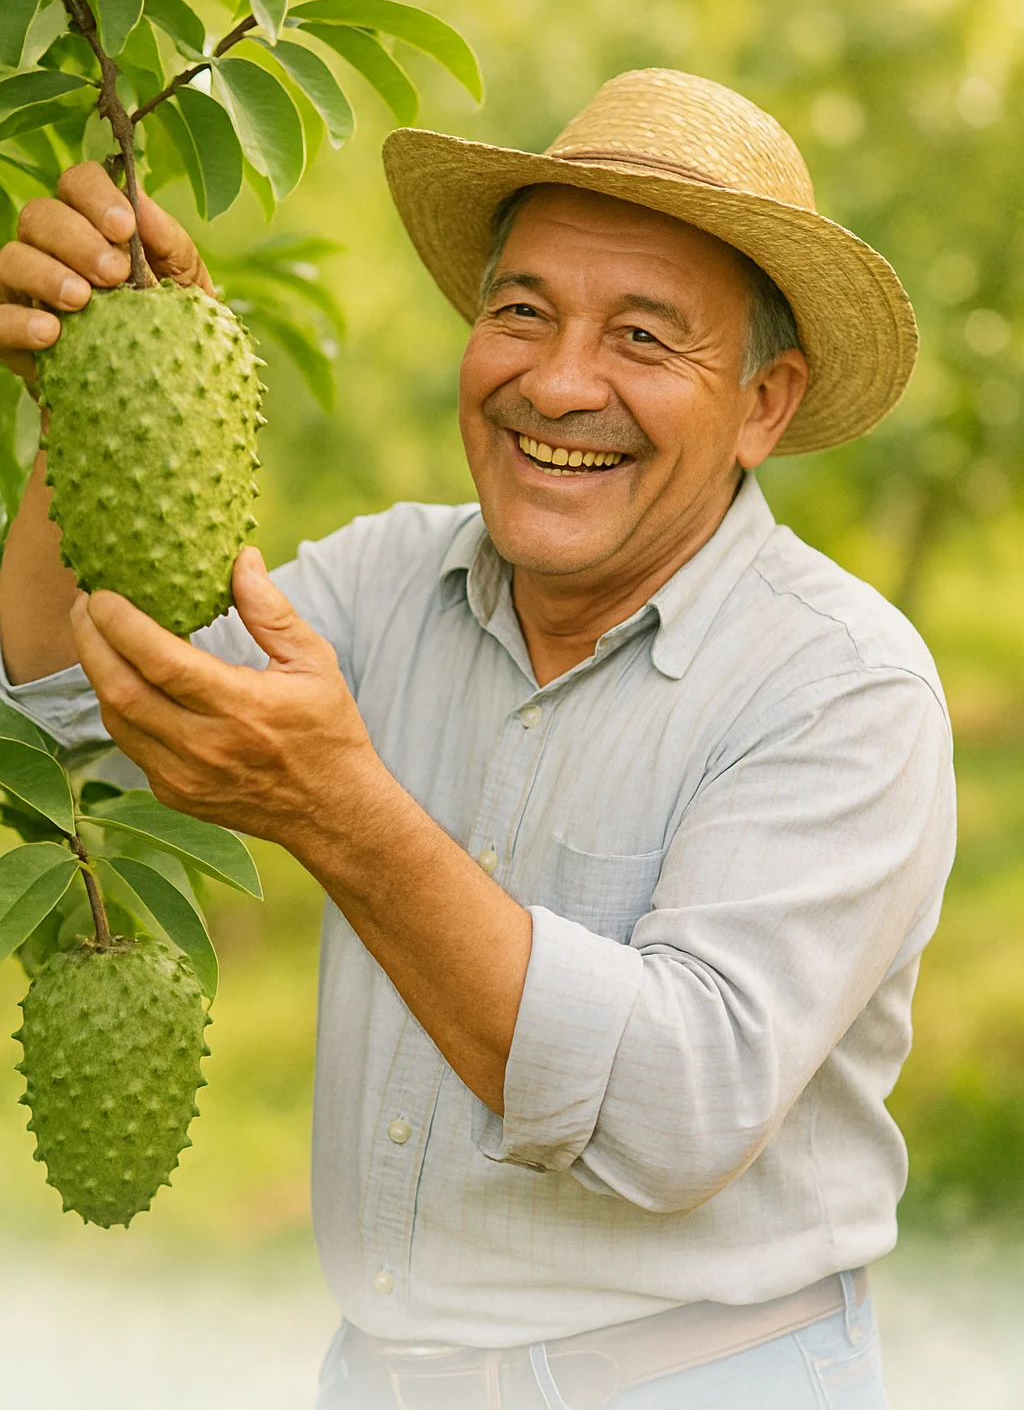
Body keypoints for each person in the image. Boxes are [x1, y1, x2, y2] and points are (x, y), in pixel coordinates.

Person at [0, 69, 954, 1409]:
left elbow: (678, 1109)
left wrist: (344, 812)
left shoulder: (840, 688)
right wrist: (97, 386)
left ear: (763, 403)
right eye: (523, 312)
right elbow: (70, 711)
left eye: (642, 338)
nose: (559, 384)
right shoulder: (382, 585)